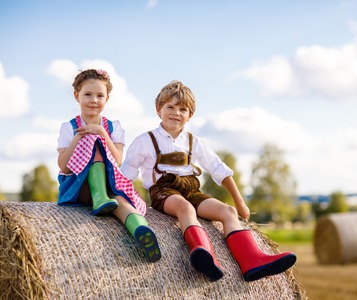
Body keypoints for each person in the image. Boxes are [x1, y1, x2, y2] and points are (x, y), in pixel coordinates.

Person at [121, 80, 296, 282]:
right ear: (158, 109)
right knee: (185, 208)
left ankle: (252, 261)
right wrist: (121, 200)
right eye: (170, 107)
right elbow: (126, 175)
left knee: (228, 212)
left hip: (191, 191)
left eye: (182, 109)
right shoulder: (144, 141)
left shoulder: (194, 142)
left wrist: (239, 203)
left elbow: (219, 169)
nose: (176, 113)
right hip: (163, 193)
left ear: (190, 115)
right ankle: (204, 254)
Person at [56, 69, 161, 262]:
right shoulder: (69, 127)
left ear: (107, 98)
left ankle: (142, 231)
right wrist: (80, 137)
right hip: (79, 187)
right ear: (76, 95)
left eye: (99, 96)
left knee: (122, 204)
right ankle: (99, 197)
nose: (93, 100)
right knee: (91, 140)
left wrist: (102, 133)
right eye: (87, 94)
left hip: (108, 183)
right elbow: (64, 168)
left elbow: (117, 160)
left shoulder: (114, 127)